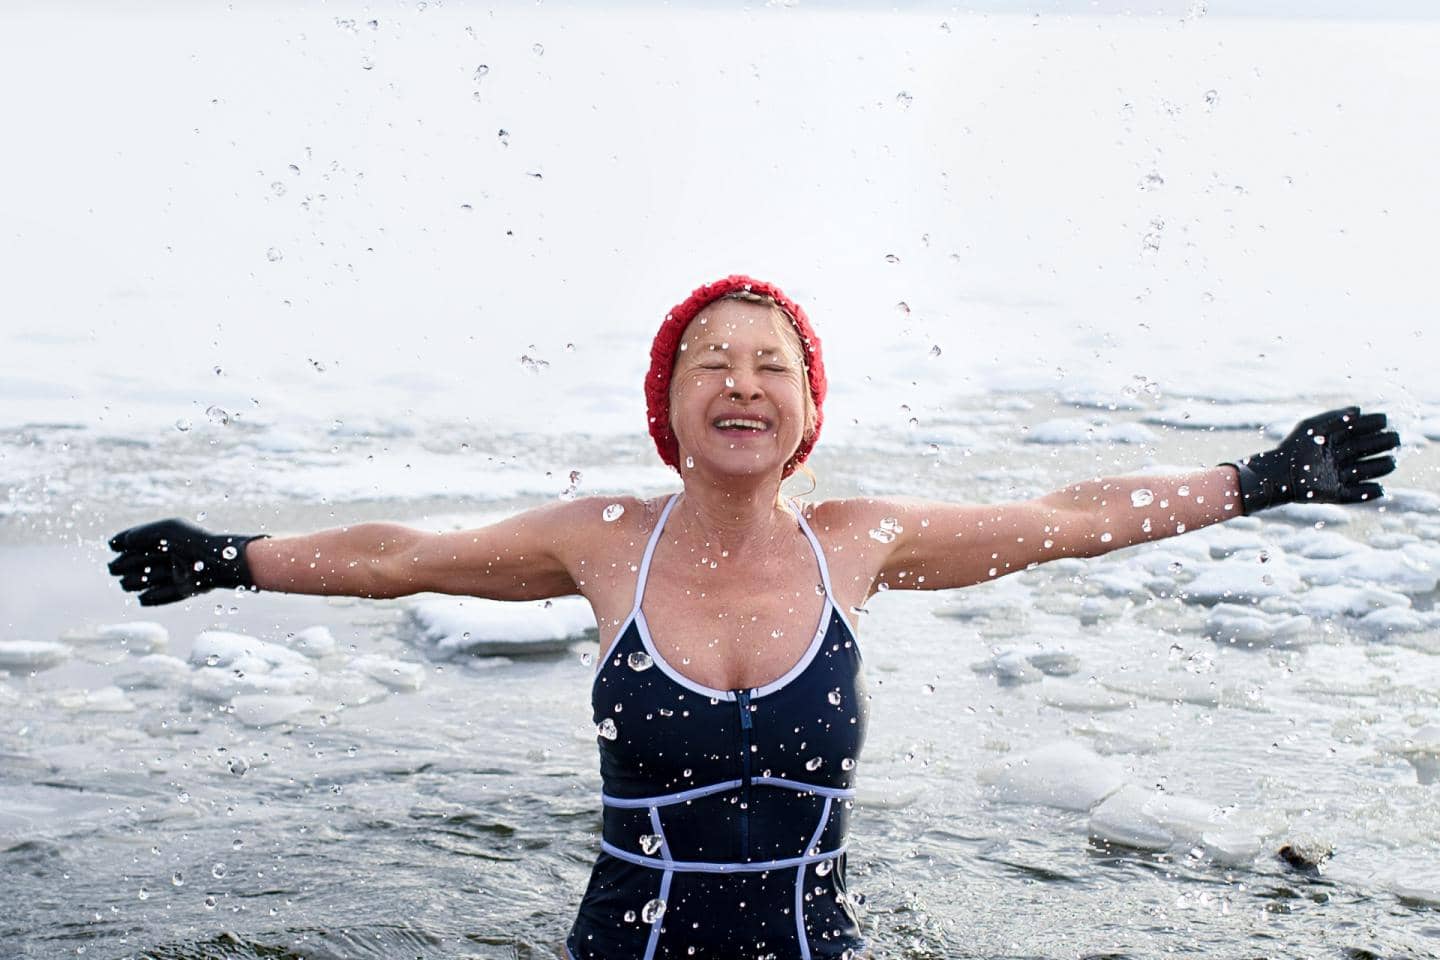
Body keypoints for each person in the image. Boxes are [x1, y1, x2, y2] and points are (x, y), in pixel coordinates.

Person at [106, 274, 1400, 959]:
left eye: (771, 363)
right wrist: (235, 557)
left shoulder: (859, 544)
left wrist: (1257, 481)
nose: (741, 381)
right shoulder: (600, 544)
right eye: (710, 361)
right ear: (667, 403)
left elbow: (1064, 516)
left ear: (805, 409)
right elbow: (404, 557)